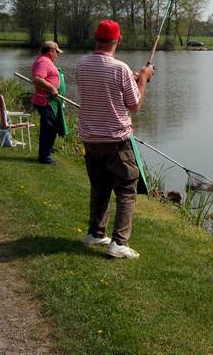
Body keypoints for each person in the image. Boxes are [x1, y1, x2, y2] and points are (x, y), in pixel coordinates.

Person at [76, 19, 154, 259]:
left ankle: (96, 234)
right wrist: (142, 79)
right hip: (116, 141)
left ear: (95, 38)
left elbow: (103, 85)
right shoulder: (119, 69)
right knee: (126, 191)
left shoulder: (81, 65)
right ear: (118, 40)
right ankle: (119, 243)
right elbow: (134, 105)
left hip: (91, 140)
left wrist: (132, 78)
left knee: (100, 187)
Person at [31, 40, 64, 165]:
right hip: (45, 100)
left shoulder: (45, 61)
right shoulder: (43, 61)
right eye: (57, 52)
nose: (57, 54)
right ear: (51, 51)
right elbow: (37, 79)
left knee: (51, 127)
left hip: (48, 100)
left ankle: (47, 149)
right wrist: (52, 88)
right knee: (49, 129)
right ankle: (45, 157)